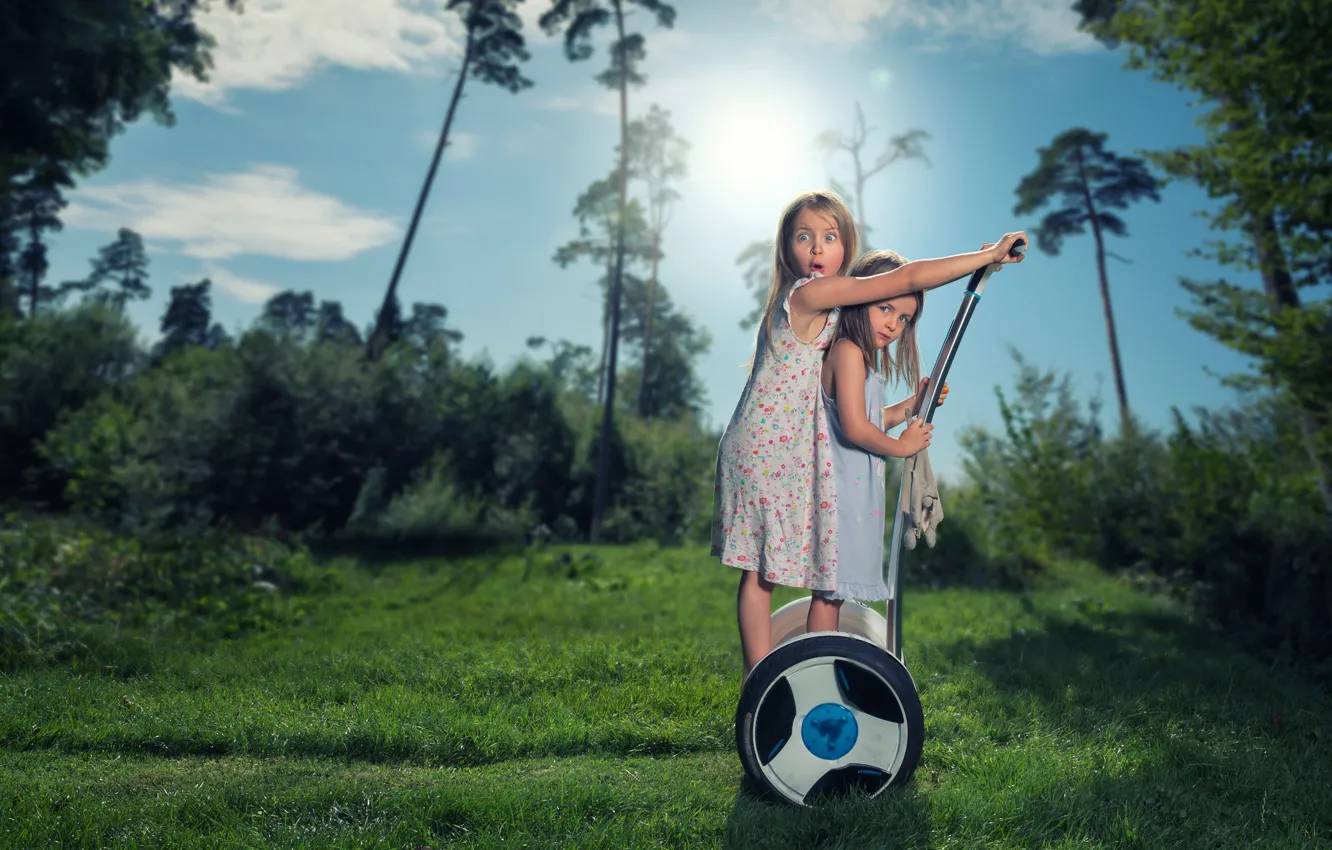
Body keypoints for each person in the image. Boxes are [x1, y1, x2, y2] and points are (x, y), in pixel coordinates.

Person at [710, 188, 1027, 677]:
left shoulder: (836, 324)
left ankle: (791, 677)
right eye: (804, 237)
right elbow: (909, 277)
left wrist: (907, 407)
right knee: (761, 571)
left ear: (846, 247)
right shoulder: (807, 294)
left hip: (791, 453)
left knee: (787, 572)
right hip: (761, 450)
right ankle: (760, 685)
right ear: (787, 249)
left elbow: (845, 410)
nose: (817, 250)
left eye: (830, 238)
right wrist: (987, 255)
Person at [815, 248, 941, 610]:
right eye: (885, 309)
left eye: (903, 319)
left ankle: (831, 658)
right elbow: (855, 427)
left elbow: (871, 418)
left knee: (834, 597)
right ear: (859, 298)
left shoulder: (862, 362)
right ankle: (824, 662)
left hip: (858, 498)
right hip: (840, 496)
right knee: (829, 596)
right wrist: (902, 447)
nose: (893, 325)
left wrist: (911, 407)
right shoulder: (847, 351)